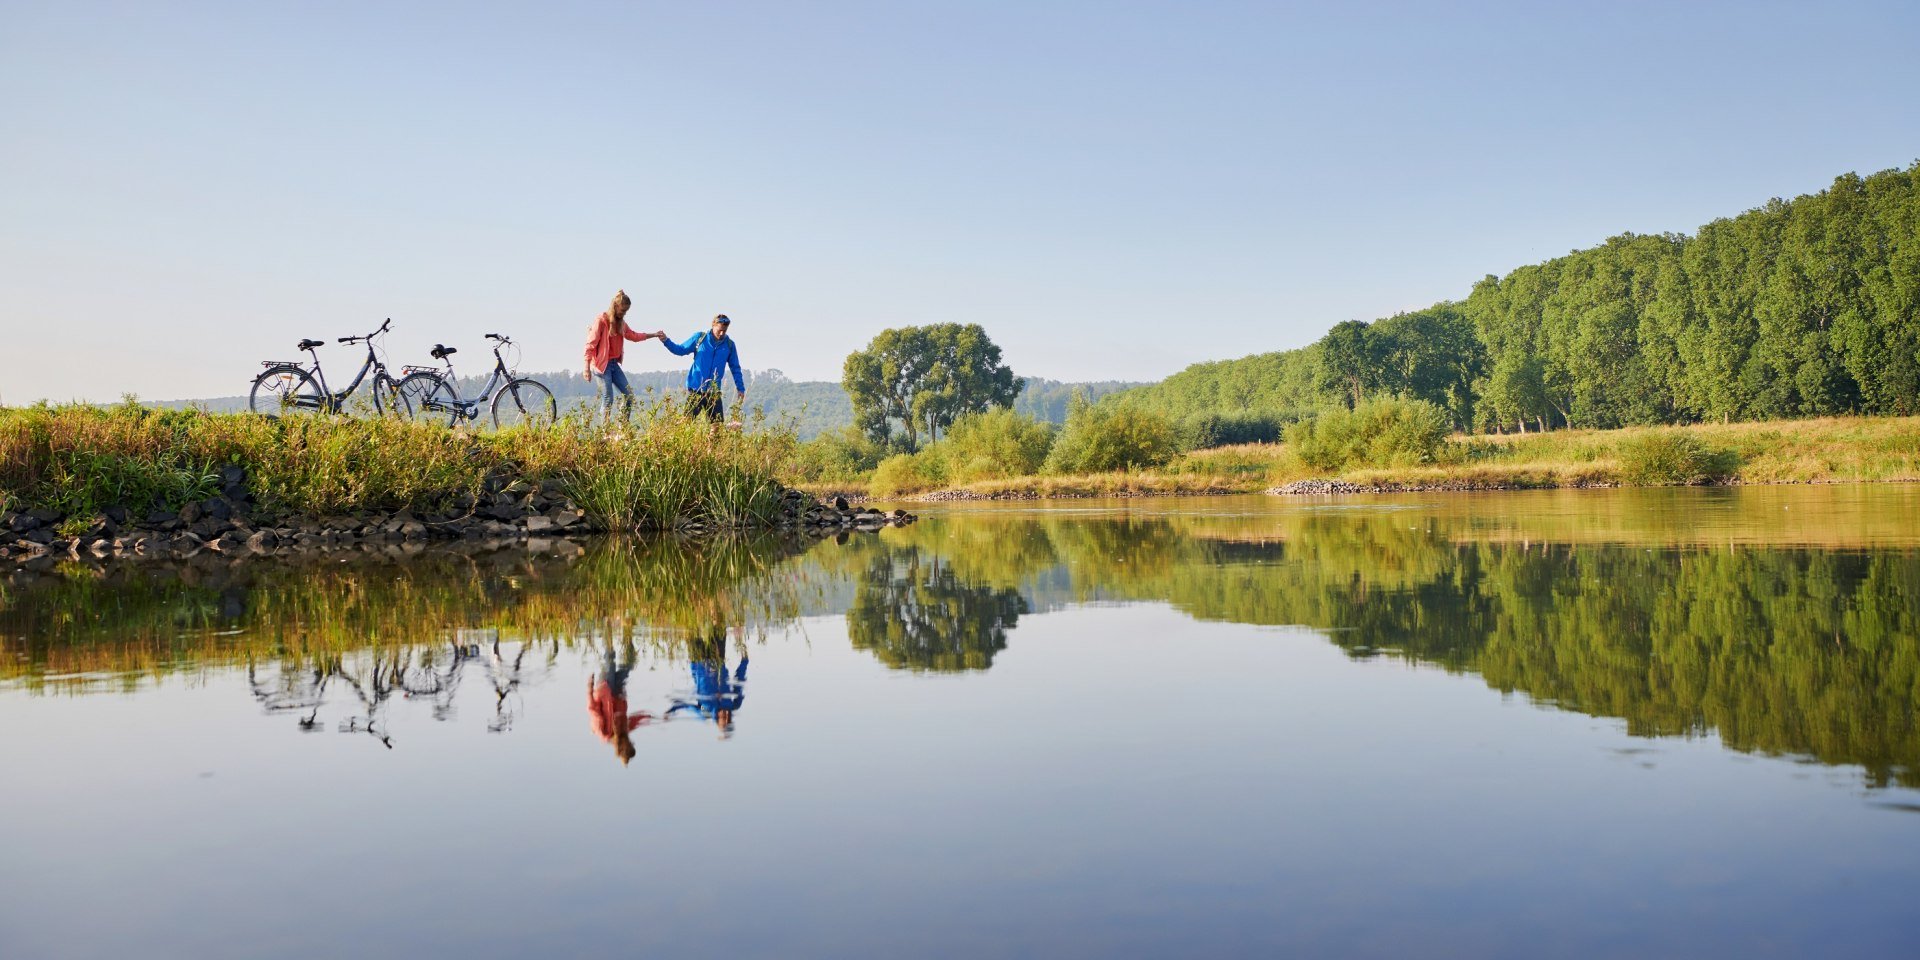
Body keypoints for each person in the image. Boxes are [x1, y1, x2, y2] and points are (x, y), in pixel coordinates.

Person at [581, 289, 661, 423]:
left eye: (626, 311)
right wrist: (586, 367)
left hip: (613, 364)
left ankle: (622, 426)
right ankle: (604, 432)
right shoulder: (601, 320)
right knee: (608, 398)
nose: (624, 314)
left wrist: (653, 335)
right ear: (616, 306)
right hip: (601, 366)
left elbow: (633, 336)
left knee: (629, 395)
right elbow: (590, 344)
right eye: (622, 310)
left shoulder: (621, 324)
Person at [658, 314, 745, 423]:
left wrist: (740, 388)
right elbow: (680, 350)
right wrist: (666, 341)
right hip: (696, 389)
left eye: (725, 330)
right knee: (687, 422)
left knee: (717, 425)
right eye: (720, 330)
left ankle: (711, 441)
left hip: (713, 391)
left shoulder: (729, 345)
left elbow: (735, 368)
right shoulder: (700, 338)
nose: (722, 333)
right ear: (713, 325)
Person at [665, 626, 747, 738]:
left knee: (692, 627)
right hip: (717, 659)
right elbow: (739, 681)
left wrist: (671, 711)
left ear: (718, 721)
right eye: (729, 718)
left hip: (698, 662)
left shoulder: (705, 711)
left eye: (723, 719)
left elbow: (687, 706)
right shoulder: (734, 705)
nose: (726, 715)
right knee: (718, 626)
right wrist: (744, 661)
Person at [588, 644, 654, 765]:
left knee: (610, 663)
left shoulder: (605, 733)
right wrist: (651, 717)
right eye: (631, 744)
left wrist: (589, 689)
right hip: (618, 690)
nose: (630, 742)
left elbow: (593, 710)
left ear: (623, 748)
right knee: (630, 663)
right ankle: (627, 637)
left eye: (629, 745)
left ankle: (608, 634)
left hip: (605, 689)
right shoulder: (625, 731)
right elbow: (636, 720)